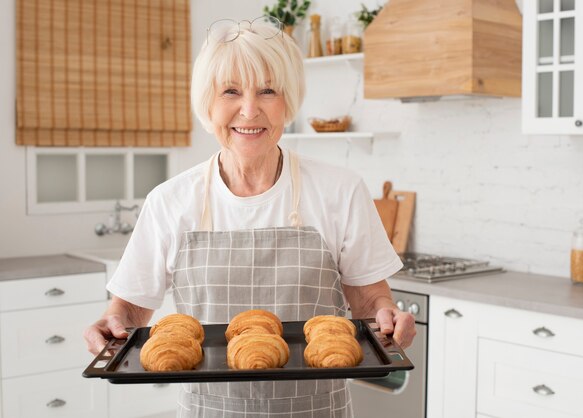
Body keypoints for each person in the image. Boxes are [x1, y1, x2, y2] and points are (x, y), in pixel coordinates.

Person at [83, 16, 416, 418]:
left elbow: (369, 301)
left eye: (267, 90)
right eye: (230, 91)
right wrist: (110, 322)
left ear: (287, 101)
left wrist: (386, 317)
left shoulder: (339, 190)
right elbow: (130, 311)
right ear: (208, 102)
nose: (249, 110)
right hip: (209, 411)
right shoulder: (170, 201)